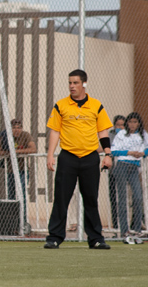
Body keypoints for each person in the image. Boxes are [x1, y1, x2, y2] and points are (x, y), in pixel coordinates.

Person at [44, 69, 113, 249]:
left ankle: (96, 239)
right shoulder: (61, 105)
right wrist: (50, 155)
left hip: (90, 158)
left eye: (75, 83)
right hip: (68, 157)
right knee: (61, 197)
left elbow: (103, 132)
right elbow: (55, 131)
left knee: (91, 198)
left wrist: (107, 154)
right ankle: (54, 237)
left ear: (84, 84)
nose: (72, 86)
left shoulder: (96, 106)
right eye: (70, 83)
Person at [111, 112, 147, 242]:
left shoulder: (143, 135)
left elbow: (147, 148)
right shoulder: (121, 134)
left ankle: (136, 229)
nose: (132, 124)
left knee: (137, 197)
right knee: (123, 198)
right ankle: (124, 230)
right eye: (130, 122)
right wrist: (129, 152)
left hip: (134, 168)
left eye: (135, 122)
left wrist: (142, 153)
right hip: (122, 166)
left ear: (139, 123)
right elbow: (113, 150)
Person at [0, 119, 36, 229]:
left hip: (22, 170)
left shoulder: (25, 135)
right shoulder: (5, 136)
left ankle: (22, 221)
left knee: (21, 194)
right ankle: (12, 221)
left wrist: (15, 152)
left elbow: (33, 149)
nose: (16, 130)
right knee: (11, 196)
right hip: (10, 171)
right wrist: (9, 153)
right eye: (14, 128)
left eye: (18, 128)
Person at [107, 115, 126, 229]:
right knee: (113, 197)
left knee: (125, 198)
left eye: (122, 125)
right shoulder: (111, 135)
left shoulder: (129, 136)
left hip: (127, 170)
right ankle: (115, 224)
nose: (120, 127)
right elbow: (108, 148)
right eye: (118, 125)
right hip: (114, 171)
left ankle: (126, 225)